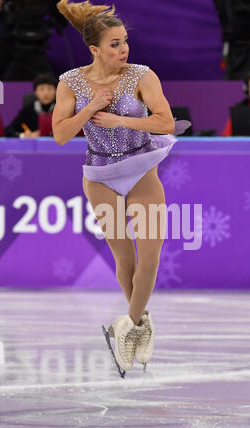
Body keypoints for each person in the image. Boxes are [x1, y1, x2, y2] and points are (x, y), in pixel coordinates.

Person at [53, 0, 191, 375]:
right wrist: (91, 107)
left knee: (150, 256)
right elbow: (61, 135)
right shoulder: (70, 82)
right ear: (94, 49)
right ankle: (138, 324)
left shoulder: (142, 75)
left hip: (141, 167)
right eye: (114, 44)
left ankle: (127, 326)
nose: (123, 49)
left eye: (125, 41)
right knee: (124, 257)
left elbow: (166, 122)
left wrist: (120, 120)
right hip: (100, 176)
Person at [4, 72, 57, 138]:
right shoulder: (28, 110)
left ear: (56, 91)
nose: (45, 93)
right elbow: (8, 130)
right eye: (41, 89)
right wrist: (23, 135)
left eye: (49, 89)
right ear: (36, 92)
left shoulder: (61, 109)